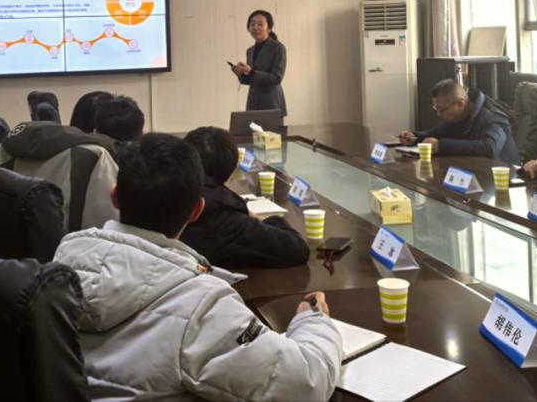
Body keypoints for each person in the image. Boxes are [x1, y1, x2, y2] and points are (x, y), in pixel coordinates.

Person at [53, 133, 342, 401]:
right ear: (196, 211)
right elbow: (306, 384)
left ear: (114, 196)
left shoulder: (62, 261)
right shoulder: (203, 308)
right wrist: (313, 321)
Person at [181, 126, 309, 268]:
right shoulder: (223, 217)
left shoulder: (169, 193)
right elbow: (297, 250)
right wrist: (269, 220)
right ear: (229, 168)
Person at [0, 121, 119, 231]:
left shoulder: (3, 151)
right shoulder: (94, 156)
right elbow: (108, 223)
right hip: (73, 250)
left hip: (5, 249)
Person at [399, 79, 519, 163]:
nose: (439, 114)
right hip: (471, 174)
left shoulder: (493, 116)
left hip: (504, 180)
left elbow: (490, 148)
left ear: (460, 104)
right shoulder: (457, 117)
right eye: (436, 109)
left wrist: (440, 146)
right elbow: (435, 133)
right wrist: (415, 137)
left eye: (442, 110)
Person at [231, 9, 287, 117]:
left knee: (272, 129)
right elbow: (252, 79)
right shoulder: (250, 51)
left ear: (269, 28)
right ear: (248, 28)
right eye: (252, 24)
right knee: (252, 129)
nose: (255, 27)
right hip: (253, 103)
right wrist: (240, 75)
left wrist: (251, 71)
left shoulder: (278, 48)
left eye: (260, 24)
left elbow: (277, 78)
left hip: (272, 103)